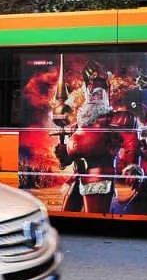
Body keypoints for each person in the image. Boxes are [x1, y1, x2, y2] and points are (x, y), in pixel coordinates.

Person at [54, 60, 138, 214]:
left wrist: (132, 167)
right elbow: (68, 159)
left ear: (106, 94)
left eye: (100, 92)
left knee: (95, 218)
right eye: (92, 92)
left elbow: (131, 141)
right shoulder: (77, 125)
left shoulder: (118, 119)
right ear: (87, 93)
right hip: (78, 177)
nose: (95, 96)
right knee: (66, 216)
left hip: (99, 178)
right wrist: (62, 153)